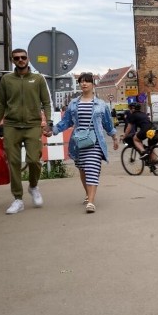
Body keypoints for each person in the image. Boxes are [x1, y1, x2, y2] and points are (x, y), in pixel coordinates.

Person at [0, 48, 52, 215]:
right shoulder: (6, 79)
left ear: (28, 59)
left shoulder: (38, 79)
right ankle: (18, 199)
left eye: (23, 57)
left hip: (33, 125)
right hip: (11, 126)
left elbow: (46, 103)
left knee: (34, 160)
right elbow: (1, 105)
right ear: (12, 60)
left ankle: (33, 186)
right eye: (16, 58)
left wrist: (49, 122)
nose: (20, 60)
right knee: (14, 164)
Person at [51, 72, 119, 213]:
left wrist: (114, 137)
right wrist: (54, 130)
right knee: (83, 169)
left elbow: (107, 122)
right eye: (81, 81)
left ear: (93, 84)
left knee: (92, 168)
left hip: (95, 142)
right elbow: (67, 121)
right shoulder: (74, 103)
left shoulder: (101, 104)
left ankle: (91, 202)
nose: (84, 84)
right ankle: (88, 195)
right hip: (79, 142)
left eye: (87, 81)